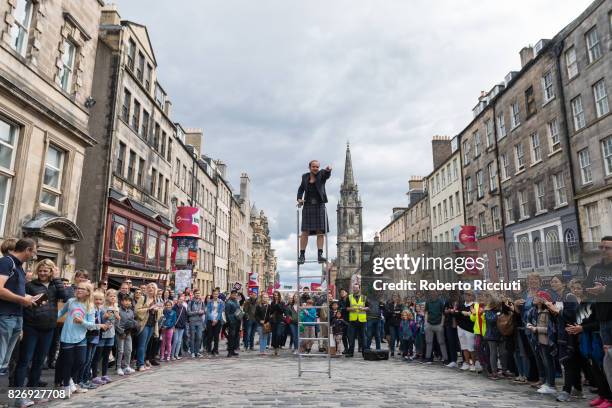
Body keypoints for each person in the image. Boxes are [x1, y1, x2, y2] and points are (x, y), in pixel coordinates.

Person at [14, 259, 66, 407]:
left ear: (51, 271)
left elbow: (65, 295)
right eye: (41, 270)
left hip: (48, 328)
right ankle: (18, 397)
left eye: (46, 271)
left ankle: (33, 393)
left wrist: (57, 278)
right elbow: (22, 306)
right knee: (24, 361)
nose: (42, 273)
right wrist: (22, 327)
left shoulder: (55, 286)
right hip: (31, 327)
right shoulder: (30, 285)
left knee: (38, 362)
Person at [57, 282, 108, 397]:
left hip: (81, 338)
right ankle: (66, 387)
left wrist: (82, 322)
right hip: (67, 336)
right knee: (68, 363)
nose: (79, 290)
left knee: (81, 361)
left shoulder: (90, 306)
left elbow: (91, 325)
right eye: (78, 288)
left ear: (88, 292)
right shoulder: (71, 302)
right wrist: (49, 318)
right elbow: (61, 312)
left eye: (82, 289)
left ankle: (69, 379)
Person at [0, 238, 37, 376]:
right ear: (27, 250)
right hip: (5, 316)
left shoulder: (20, 267)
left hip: (16, 316)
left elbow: (14, 291)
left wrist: (29, 298)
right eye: (34, 252)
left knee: (4, 363)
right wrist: (22, 299)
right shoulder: (6, 262)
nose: (34, 256)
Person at [585, 236, 612, 402]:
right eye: (601, 247)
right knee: (606, 361)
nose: (603, 250)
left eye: (607, 248)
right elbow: (587, 288)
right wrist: (589, 290)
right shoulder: (595, 268)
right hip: (603, 320)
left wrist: (604, 290)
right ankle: (607, 396)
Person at [297, 160, 331, 264]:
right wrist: (299, 198)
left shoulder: (321, 174)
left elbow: (326, 175)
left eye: (317, 167)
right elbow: (301, 189)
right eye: (313, 167)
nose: (315, 168)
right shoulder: (305, 177)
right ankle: (302, 256)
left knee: (320, 231)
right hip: (307, 206)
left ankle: (320, 255)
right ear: (309, 167)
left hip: (319, 205)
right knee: (305, 231)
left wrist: (328, 171)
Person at [526, 290, 557, 395]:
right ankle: (547, 382)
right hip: (538, 340)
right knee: (544, 362)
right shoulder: (534, 311)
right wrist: (530, 326)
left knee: (548, 363)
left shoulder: (547, 312)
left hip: (546, 340)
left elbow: (550, 329)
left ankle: (551, 384)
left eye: (537, 297)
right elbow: (528, 321)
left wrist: (536, 329)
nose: (534, 298)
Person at [91, 289, 119, 385]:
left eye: (114, 296)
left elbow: (115, 322)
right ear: (106, 297)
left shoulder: (116, 307)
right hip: (102, 333)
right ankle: (94, 375)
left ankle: (104, 374)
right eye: (110, 296)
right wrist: (105, 317)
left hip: (111, 333)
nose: (113, 298)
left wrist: (117, 317)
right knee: (98, 355)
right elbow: (99, 320)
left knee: (107, 356)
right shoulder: (102, 307)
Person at [134, 283, 162, 371]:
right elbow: (136, 310)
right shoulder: (143, 298)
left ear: (155, 290)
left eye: (153, 287)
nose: (151, 289)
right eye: (149, 287)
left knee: (146, 345)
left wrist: (158, 310)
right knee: (141, 345)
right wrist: (149, 309)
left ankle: (142, 362)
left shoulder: (156, 299)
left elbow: (160, 312)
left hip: (152, 324)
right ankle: (140, 364)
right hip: (144, 324)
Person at [453, 291, 476, 371]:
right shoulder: (461, 305)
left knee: (471, 347)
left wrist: (462, 314)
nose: (466, 296)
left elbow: (471, 318)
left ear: (472, 296)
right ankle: (466, 362)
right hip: (461, 328)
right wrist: (463, 313)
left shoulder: (474, 305)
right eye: (465, 295)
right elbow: (456, 314)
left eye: (469, 295)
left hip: (470, 329)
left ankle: (473, 363)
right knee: (464, 347)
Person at [115, 294, 137, 375]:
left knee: (129, 350)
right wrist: (121, 332)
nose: (127, 302)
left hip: (128, 333)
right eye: (125, 300)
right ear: (121, 302)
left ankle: (126, 366)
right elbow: (116, 324)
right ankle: (118, 367)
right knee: (120, 350)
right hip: (120, 333)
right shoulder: (118, 311)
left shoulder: (131, 311)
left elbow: (132, 321)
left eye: (129, 301)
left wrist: (135, 325)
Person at [424, 291, 448, 364]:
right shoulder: (428, 302)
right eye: (431, 293)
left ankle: (445, 359)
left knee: (441, 342)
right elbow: (426, 312)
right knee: (429, 342)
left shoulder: (440, 302)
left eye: (434, 292)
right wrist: (426, 322)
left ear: (437, 293)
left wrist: (441, 324)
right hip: (429, 324)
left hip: (438, 324)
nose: (433, 294)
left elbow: (443, 314)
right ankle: (428, 358)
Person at [346, 284, 368, 357]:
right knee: (351, 337)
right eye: (354, 288)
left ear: (359, 289)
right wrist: (352, 309)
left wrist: (363, 309)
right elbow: (347, 308)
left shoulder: (363, 297)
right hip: (353, 320)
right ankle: (350, 352)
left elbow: (368, 307)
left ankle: (365, 353)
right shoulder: (349, 297)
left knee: (363, 337)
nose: (355, 289)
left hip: (362, 320)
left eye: (356, 288)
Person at [205, 289, 224, 356]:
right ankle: (209, 350)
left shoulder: (221, 302)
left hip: (217, 321)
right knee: (210, 336)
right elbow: (208, 312)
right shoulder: (209, 302)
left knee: (216, 336)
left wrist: (216, 320)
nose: (215, 295)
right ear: (212, 295)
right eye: (214, 294)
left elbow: (220, 312)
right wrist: (212, 319)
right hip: (210, 320)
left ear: (218, 294)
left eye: (217, 294)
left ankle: (215, 350)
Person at [187, 289, 205, 357]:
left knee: (199, 337)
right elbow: (188, 312)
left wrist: (202, 312)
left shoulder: (201, 302)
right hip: (192, 321)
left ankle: (197, 351)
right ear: (194, 294)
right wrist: (197, 312)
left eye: (199, 293)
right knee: (192, 337)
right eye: (196, 293)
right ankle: (192, 352)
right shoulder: (190, 302)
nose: (198, 294)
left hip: (200, 321)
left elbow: (204, 310)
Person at [224, 290, 242, 357]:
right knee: (231, 337)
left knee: (235, 337)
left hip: (237, 321)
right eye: (233, 294)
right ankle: (229, 351)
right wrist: (230, 321)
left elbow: (238, 310)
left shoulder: (236, 301)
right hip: (232, 322)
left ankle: (233, 350)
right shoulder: (228, 302)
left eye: (235, 294)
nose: (234, 295)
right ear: (231, 294)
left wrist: (241, 315)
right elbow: (227, 314)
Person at [385, 293, 402, 357]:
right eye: (393, 296)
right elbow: (387, 313)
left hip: (399, 323)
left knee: (400, 337)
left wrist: (393, 312)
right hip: (391, 324)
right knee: (393, 338)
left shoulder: (401, 305)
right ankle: (392, 351)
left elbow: (401, 313)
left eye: (396, 296)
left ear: (398, 297)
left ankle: (400, 349)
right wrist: (394, 312)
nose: (395, 297)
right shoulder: (389, 304)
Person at [171, 294, 187, 360]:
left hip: (182, 326)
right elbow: (172, 317)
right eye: (180, 299)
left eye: (182, 300)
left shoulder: (184, 308)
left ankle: (176, 354)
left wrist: (184, 323)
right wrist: (173, 326)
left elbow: (185, 316)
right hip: (176, 326)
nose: (181, 301)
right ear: (178, 299)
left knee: (180, 341)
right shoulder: (174, 307)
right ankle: (172, 355)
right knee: (175, 340)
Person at [270, 290, 285, 356]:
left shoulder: (282, 302)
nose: (276, 296)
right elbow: (271, 310)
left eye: (277, 295)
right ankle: (274, 349)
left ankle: (277, 347)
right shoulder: (272, 303)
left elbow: (282, 310)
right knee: (274, 334)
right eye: (274, 295)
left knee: (278, 334)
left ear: (279, 296)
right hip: (273, 320)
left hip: (279, 320)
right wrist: (274, 305)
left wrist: (277, 304)